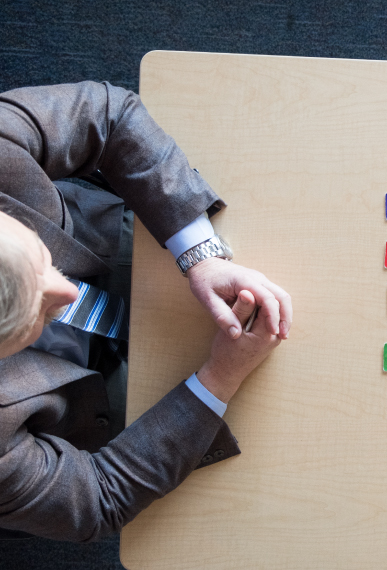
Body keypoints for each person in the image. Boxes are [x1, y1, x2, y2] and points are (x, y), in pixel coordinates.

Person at [0, 81, 292, 541]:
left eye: (42, 260)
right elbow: (97, 500)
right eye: (37, 314)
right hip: (95, 404)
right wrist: (220, 377)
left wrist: (200, 254)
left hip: (119, 244)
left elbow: (109, 114)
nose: (71, 295)